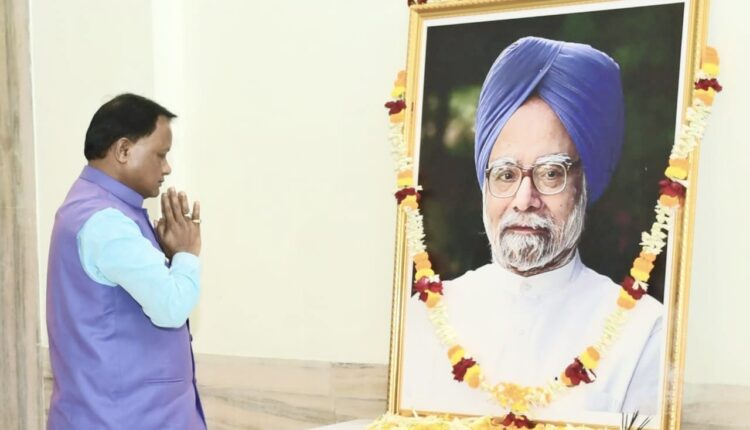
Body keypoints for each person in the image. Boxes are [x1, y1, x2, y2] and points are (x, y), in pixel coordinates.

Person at [401, 37, 663, 421]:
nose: (524, 199)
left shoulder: (642, 332)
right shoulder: (421, 320)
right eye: (506, 174)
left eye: (551, 173)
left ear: (584, 186)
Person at [46, 93, 206, 429]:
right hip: (123, 418)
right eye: (160, 155)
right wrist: (187, 254)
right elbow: (171, 307)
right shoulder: (105, 220)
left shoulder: (96, 209)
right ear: (123, 150)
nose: (167, 167)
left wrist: (167, 256)